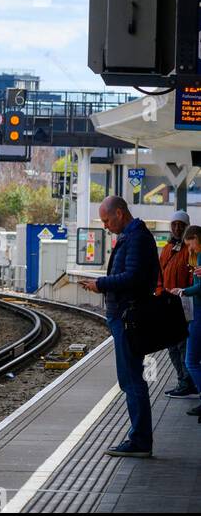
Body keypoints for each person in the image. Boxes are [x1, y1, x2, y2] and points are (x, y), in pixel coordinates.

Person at [77, 196, 158, 457]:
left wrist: (101, 284)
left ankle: (140, 440)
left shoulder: (136, 239)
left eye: (106, 220)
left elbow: (132, 277)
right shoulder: (132, 237)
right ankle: (139, 438)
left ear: (120, 213)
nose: (105, 225)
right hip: (124, 315)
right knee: (130, 378)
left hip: (127, 317)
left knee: (131, 379)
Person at [158, 210, 198, 398]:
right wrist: (159, 292)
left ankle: (187, 382)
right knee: (171, 344)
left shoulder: (190, 250)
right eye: (174, 224)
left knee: (182, 344)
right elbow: (159, 272)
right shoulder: (167, 249)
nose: (177, 228)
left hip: (184, 303)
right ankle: (182, 378)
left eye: (181, 225)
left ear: (186, 227)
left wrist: (185, 293)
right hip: (167, 302)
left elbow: (194, 278)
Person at [169, 225, 201, 419]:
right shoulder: (197, 256)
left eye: (192, 244)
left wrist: (183, 291)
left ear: (196, 238)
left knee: (191, 360)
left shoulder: (200, 256)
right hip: (197, 309)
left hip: (199, 311)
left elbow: (199, 288)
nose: (191, 249)